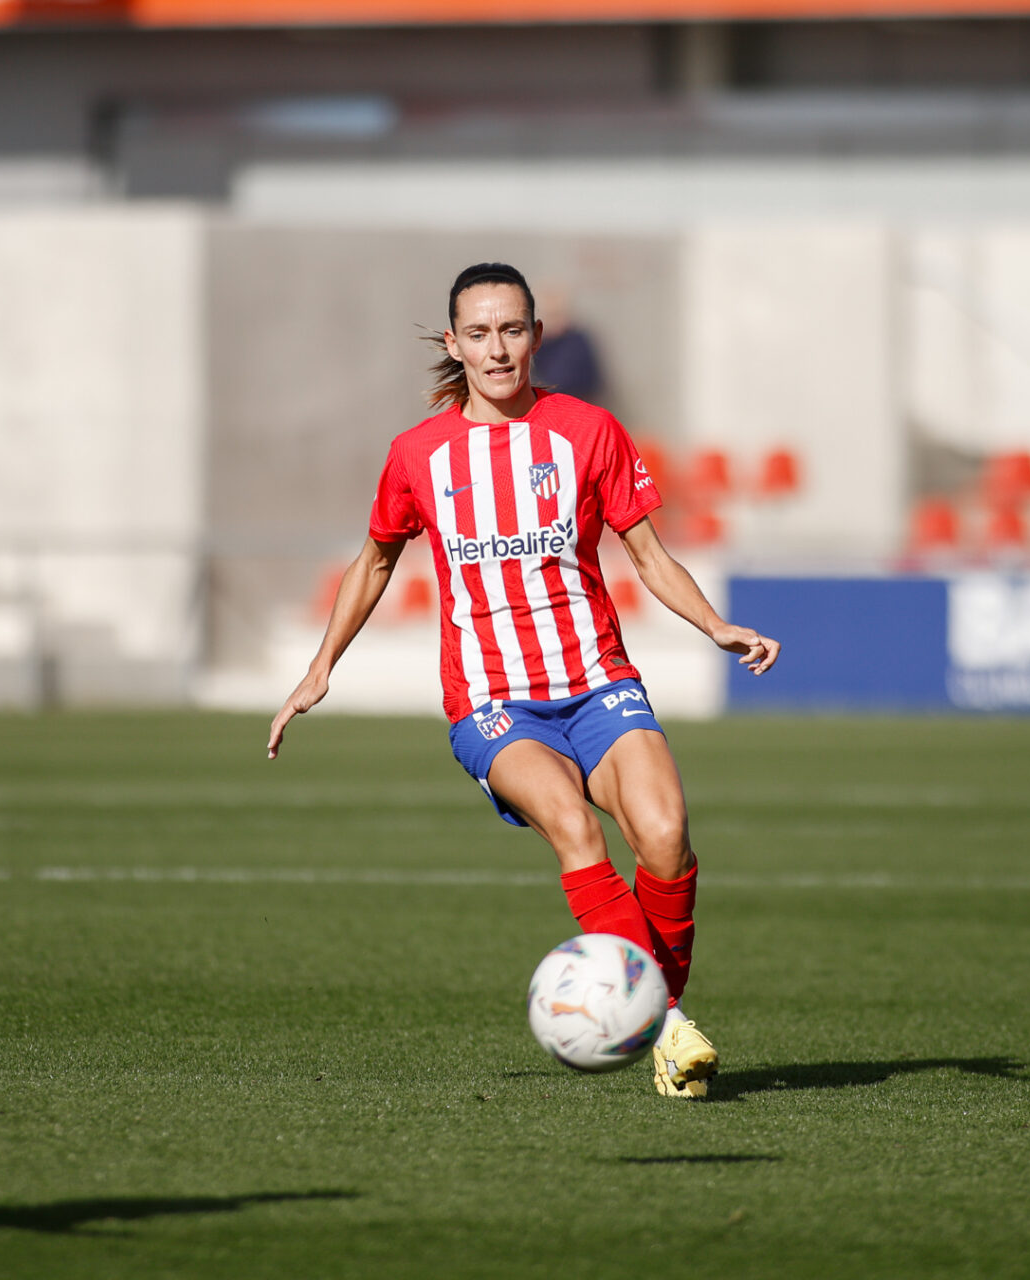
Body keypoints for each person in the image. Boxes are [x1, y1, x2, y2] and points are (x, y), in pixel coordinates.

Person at [267, 262, 780, 1100]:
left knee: (666, 835)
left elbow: (647, 553)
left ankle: (655, 1011)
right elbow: (375, 560)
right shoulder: (417, 455)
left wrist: (715, 626)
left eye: (512, 330)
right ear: (453, 343)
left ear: (536, 336)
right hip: (493, 700)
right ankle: (667, 1027)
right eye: (479, 333)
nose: (497, 349)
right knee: (577, 833)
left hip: (597, 679)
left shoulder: (588, 431)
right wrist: (319, 670)